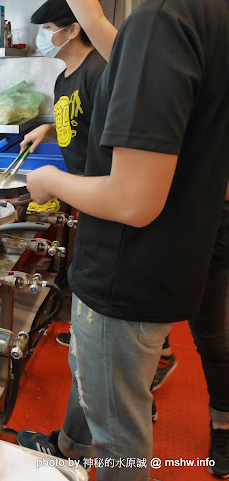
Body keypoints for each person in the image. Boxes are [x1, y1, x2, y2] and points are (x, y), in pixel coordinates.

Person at [14, 0, 229, 478]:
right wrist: (91, 15)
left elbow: (133, 200)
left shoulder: (164, 18)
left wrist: (49, 180)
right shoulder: (204, 16)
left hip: (124, 267)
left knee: (120, 436)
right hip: (171, 256)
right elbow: (141, 67)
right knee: (99, 382)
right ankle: (71, 446)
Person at [20, 0, 107, 347]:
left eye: (48, 29)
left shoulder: (99, 72)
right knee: (82, 268)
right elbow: (75, 123)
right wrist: (47, 131)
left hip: (99, 191)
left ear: (73, 30)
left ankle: (154, 353)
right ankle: (87, 332)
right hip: (79, 191)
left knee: (100, 274)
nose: (43, 37)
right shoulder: (62, 80)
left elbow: (111, 137)